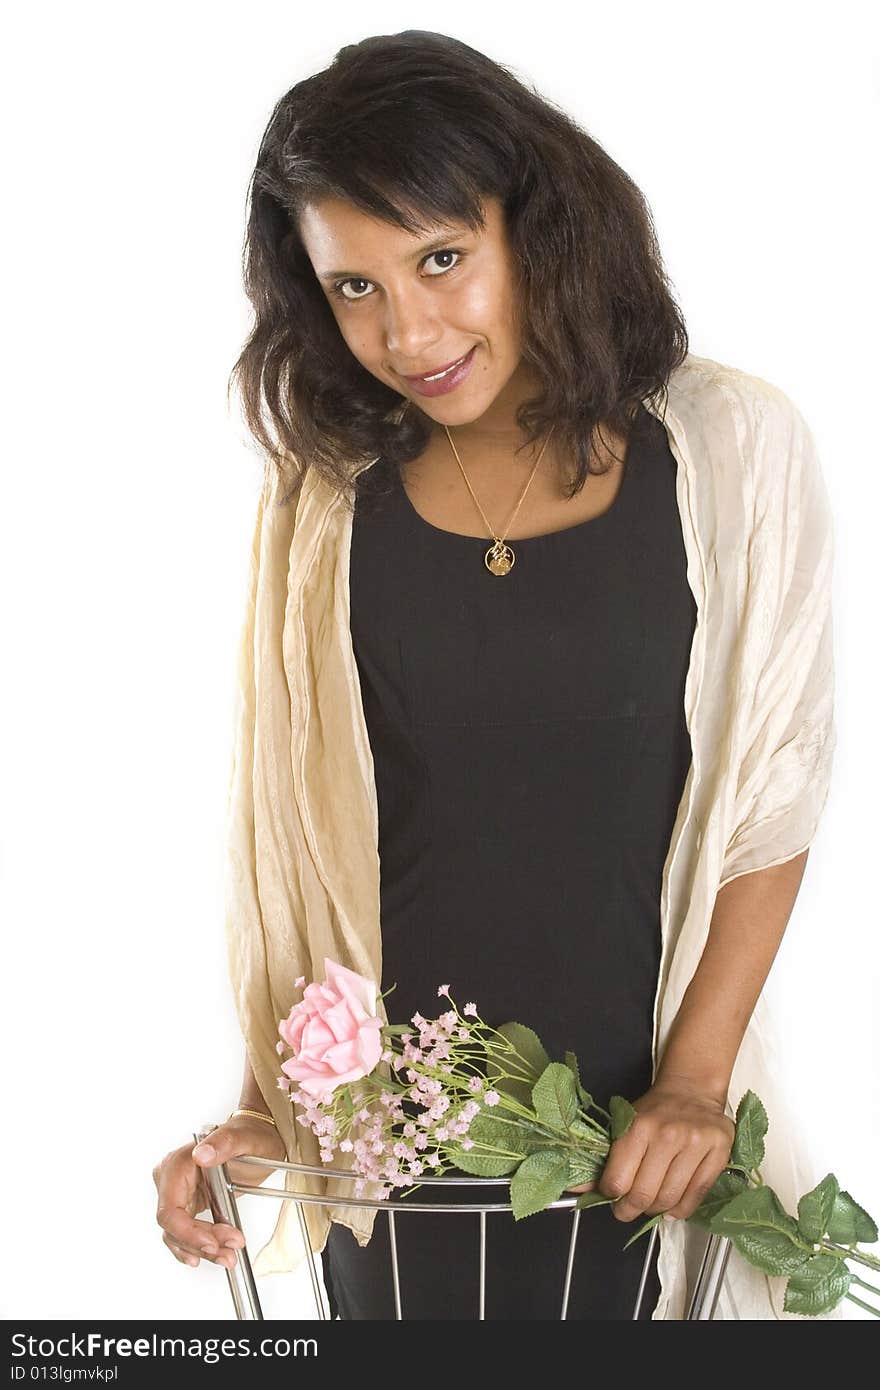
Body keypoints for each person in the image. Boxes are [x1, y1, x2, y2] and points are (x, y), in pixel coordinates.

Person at [153, 31, 837, 1319]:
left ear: (541, 228)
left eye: (441, 260)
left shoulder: (733, 449)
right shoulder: (320, 507)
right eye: (353, 288)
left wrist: (694, 1083)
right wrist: (265, 1119)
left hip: (646, 1150)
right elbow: (306, 849)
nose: (407, 331)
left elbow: (776, 789)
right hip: (392, 1155)